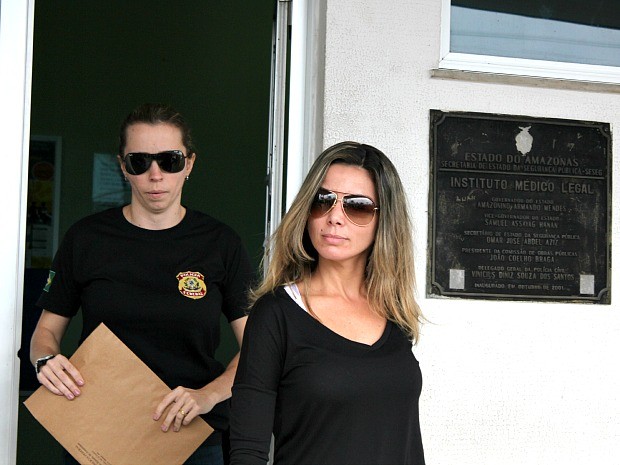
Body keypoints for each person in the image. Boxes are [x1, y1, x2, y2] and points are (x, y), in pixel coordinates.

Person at [30, 103, 254, 465]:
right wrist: (45, 360)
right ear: (123, 167)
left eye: (170, 161)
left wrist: (208, 395)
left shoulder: (220, 244)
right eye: (139, 162)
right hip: (98, 430)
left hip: (191, 436)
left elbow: (258, 347)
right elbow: (45, 334)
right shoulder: (87, 239)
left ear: (189, 164)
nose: (155, 175)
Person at [229, 141, 425, 465]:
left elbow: (404, 442)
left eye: (357, 206)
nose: (335, 217)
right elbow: (248, 451)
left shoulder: (394, 314)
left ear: (383, 221)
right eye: (323, 201)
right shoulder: (277, 314)